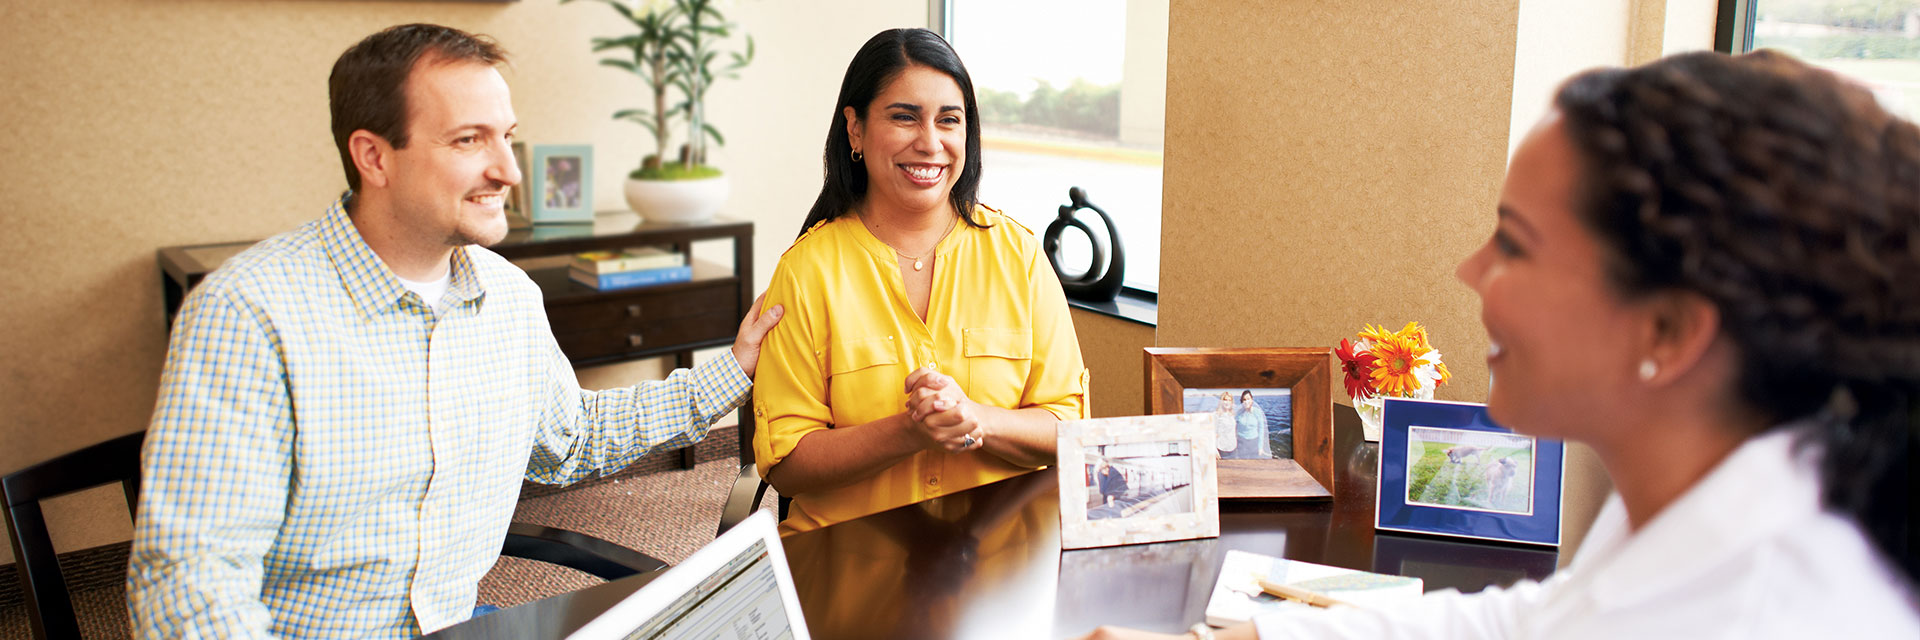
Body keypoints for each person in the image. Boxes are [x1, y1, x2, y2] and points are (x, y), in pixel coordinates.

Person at [1078, 50, 1918, 640]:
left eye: (1514, 245)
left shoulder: (1755, 610)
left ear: (1669, 329)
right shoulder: (1714, 489)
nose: (1471, 270)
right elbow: (1532, 623)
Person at [126, 24, 784, 638]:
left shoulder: (508, 296)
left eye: (507, 135)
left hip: (460, 620)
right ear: (374, 157)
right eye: (470, 140)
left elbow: (572, 440)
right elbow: (189, 585)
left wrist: (735, 368)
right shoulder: (249, 312)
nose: (510, 171)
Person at [752, 28, 1088, 534]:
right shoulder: (806, 271)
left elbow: (1071, 429)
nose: (930, 143)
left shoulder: (1018, 256)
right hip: (846, 564)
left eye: (949, 120)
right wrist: (909, 431)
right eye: (904, 116)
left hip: (998, 567)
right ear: (855, 129)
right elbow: (789, 468)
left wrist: (976, 418)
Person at [1232, 390, 1270, 459]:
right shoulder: (1239, 412)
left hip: (1254, 442)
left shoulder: (1257, 412)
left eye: (1248, 399)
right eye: (1244, 399)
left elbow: (1261, 429)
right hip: (1241, 442)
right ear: (1242, 401)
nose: (1246, 401)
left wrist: (1260, 447)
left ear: (1252, 400)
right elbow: (1234, 427)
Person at [1212, 391, 1238, 457]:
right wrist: (1214, 449)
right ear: (1221, 401)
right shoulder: (1216, 415)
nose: (1227, 402)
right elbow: (1213, 433)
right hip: (1221, 449)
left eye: (1229, 400)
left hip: (1233, 448)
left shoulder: (1233, 414)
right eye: (1225, 400)